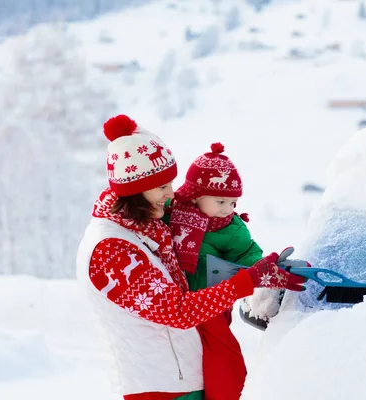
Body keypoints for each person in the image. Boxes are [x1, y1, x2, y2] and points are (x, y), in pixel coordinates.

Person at [76, 114, 306, 400]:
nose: (171, 195)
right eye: (162, 187)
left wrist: (255, 271)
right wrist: (247, 280)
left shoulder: (149, 229)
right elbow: (177, 311)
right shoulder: (111, 250)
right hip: (158, 389)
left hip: (182, 380)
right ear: (135, 189)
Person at [162, 143, 267, 400]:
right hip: (176, 299)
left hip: (212, 302)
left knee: (221, 356)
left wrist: (256, 270)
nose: (227, 209)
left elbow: (249, 255)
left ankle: (227, 394)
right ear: (196, 195)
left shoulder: (231, 228)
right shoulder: (172, 213)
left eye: (233, 203)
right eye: (220, 201)